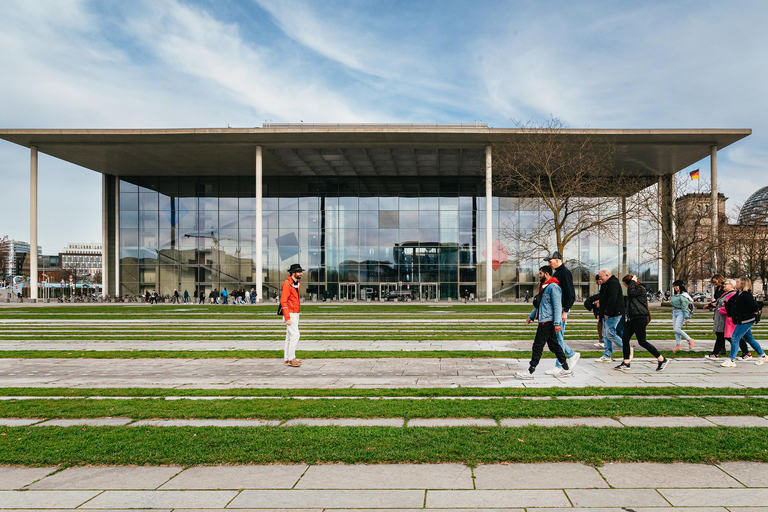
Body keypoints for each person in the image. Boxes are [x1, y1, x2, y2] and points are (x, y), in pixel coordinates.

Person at [515, 265, 572, 379]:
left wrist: (557, 323)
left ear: (546, 274)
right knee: (554, 346)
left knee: (537, 346)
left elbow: (557, 306)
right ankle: (566, 369)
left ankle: (530, 372)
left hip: (548, 321)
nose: (539, 276)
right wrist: (531, 317)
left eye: (540, 273)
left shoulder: (553, 287)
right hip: (545, 319)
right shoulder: (545, 287)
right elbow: (541, 305)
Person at [614, 275, 668, 372]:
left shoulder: (640, 289)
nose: (626, 287)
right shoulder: (634, 289)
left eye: (626, 285)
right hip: (632, 318)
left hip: (639, 318)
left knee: (642, 341)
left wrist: (632, 283)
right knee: (625, 338)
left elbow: (631, 293)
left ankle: (661, 359)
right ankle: (626, 362)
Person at [543, 251, 580, 374]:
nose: (549, 264)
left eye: (550, 261)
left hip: (562, 310)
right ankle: (570, 355)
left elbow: (571, 295)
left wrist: (565, 311)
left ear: (558, 259)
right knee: (556, 338)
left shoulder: (564, 273)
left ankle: (560, 365)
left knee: (558, 338)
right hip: (557, 310)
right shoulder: (558, 273)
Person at [721, 276, 767, 367]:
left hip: (746, 320)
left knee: (735, 337)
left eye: (738, 282)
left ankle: (731, 359)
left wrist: (757, 311)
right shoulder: (738, 294)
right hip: (742, 320)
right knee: (749, 339)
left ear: (742, 284)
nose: (736, 284)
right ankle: (763, 356)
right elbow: (732, 303)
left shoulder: (746, 294)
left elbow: (754, 305)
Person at [595, 268, 627, 362]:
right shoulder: (606, 284)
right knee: (606, 334)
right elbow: (603, 298)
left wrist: (608, 312)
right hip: (608, 312)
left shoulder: (613, 283)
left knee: (610, 333)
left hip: (614, 313)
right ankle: (607, 355)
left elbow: (612, 299)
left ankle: (626, 350)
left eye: (601, 276)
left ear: (607, 275)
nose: (600, 279)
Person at [281, 263, 305, 367]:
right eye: (299, 272)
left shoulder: (297, 284)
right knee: (295, 335)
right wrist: (287, 317)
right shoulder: (287, 284)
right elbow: (283, 301)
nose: (301, 273)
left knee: (290, 336)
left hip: (295, 312)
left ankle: (287, 359)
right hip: (290, 313)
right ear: (293, 273)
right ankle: (291, 359)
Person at [707, 276, 734, 360]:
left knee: (725, 335)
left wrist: (722, 306)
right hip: (719, 314)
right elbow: (718, 300)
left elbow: (727, 302)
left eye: (715, 281)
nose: (714, 283)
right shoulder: (720, 290)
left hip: (724, 316)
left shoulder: (730, 293)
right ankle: (717, 352)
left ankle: (716, 352)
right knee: (721, 335)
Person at [670, 280, 695, 352]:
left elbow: (684, 307)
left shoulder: (684, 296)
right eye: (674, 286)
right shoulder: (675, 295)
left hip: (681, 312)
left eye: (676, 286)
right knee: (676, 330)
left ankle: (689, 339)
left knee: (677, 329)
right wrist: (672, 312)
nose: (675, 287)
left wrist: (687, 317)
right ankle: (678, 345)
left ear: (680, 286)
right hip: (675, 312)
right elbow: (674, 305)